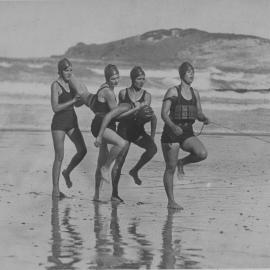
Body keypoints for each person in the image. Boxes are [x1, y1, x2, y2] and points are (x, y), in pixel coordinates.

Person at [94, 66, 157, 202]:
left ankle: (135, 170)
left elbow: (151, 116)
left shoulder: (147, 96)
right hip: (124, 130)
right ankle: (114, 194)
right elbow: (118, 114)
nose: (142, 81)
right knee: (119, 162)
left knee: (153, 149)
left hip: (138, 130)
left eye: (143, 79)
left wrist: (152, 136)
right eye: (139, 79)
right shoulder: (123, 93)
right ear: (132, 79)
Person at [161, 61, 209, 209]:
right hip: (171, 132)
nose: (192, 74)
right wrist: (173, 126)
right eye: (189, 72)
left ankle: (182, 162)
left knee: (202, 153)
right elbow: (163, 114)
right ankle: (171, 201)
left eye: (193, 72)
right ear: (182, 74)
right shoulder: (173, 91)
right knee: (170, 167)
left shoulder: (195, 93)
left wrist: (203, 118)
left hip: (187, 132)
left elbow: (199, 112)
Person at [90, 64, 127, 202]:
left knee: (100, 160)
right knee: (121, 143)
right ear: (107, 78)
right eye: (113, 79)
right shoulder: (109, 92)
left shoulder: (104, 87)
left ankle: (96, 195)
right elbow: (115, 114)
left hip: (102, 124)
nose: (116, 81)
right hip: (101, 125)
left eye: (117, 78)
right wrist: (131, 109)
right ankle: (106, 168)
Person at [51, 58, 87, 198]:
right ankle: (55, 190)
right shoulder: (55, 85)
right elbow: (55, 108)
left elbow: (76, 105)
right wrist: (72, 100)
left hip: (72, 121)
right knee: (59, 156)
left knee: (82, 150)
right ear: (60, 71)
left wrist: (81, 101)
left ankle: (67, 172)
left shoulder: (71, 85)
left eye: (71, 70)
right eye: (66, 70)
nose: (69, 73)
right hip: (59, 123)